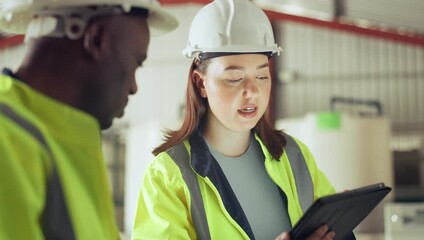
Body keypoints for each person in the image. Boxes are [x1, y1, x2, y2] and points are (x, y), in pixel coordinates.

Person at [133, 0, 353, 239]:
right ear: (200, 83)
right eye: (234, 78)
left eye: (261, 76)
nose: (252, 91)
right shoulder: (168, 175)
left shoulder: (294, 156)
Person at [0, 0, 177, 239]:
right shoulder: (8, 141)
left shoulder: (66, 139)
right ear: (96, 40)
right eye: (136, 63)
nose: (134, 87)